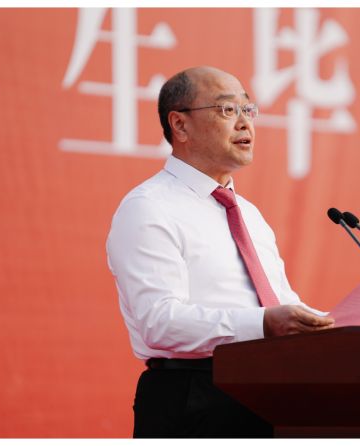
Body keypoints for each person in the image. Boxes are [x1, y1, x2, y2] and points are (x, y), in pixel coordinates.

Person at [106, 66, 333, 438]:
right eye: (228, 110)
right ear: (180, 125)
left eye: (248, 109)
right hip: (195, 398)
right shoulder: (148, 207)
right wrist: (264, 324)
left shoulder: (249, 214)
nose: (245, 123)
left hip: (271, 395)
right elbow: (160, 322)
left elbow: (280, 303)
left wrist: (335, 328)